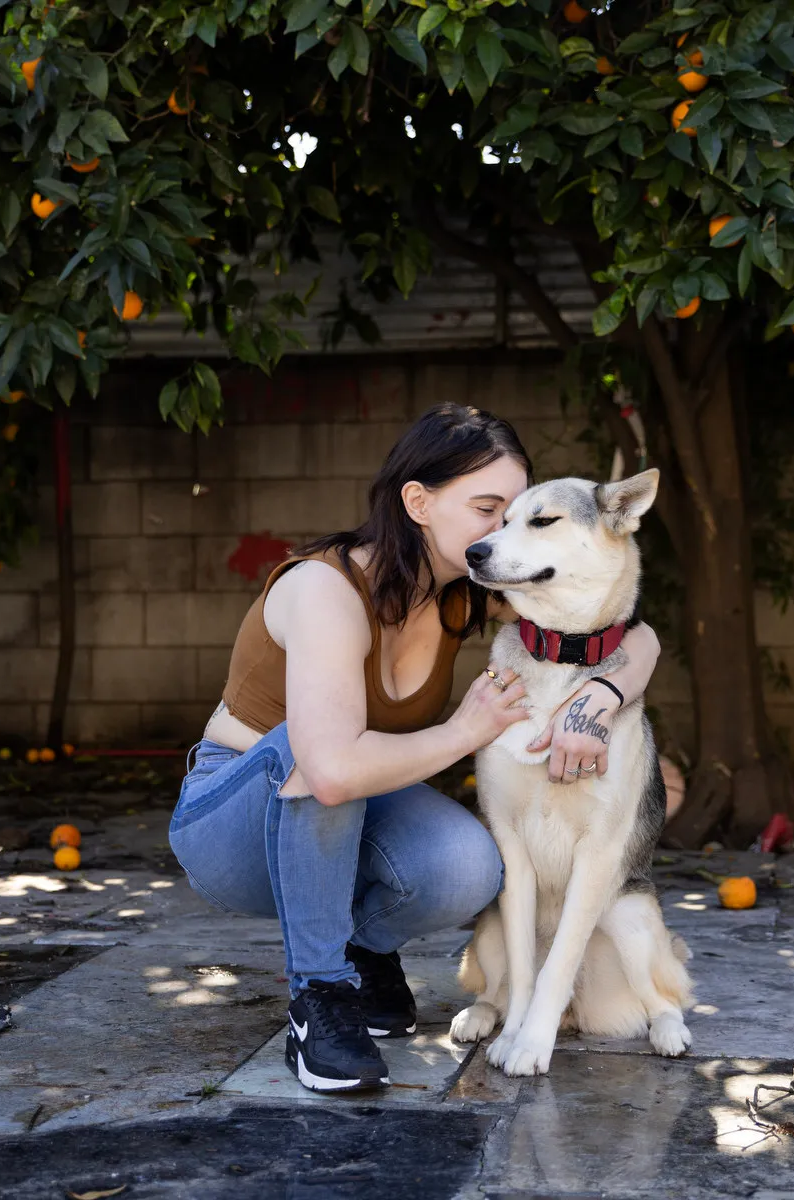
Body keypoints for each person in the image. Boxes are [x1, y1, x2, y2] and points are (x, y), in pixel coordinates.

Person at [168, 403, 663, 1092]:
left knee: (470, 865)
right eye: (488, 508)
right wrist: (464, 731)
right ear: (418, 502)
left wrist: (603, 698)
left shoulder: (464, 588)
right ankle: (321, 996)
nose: (503, 531)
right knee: (318, 759)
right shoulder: (325, 588)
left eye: (515, 512)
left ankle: (362, 949)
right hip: (235, 820)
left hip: (350, 803)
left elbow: (634, 638)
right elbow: (334, 768)